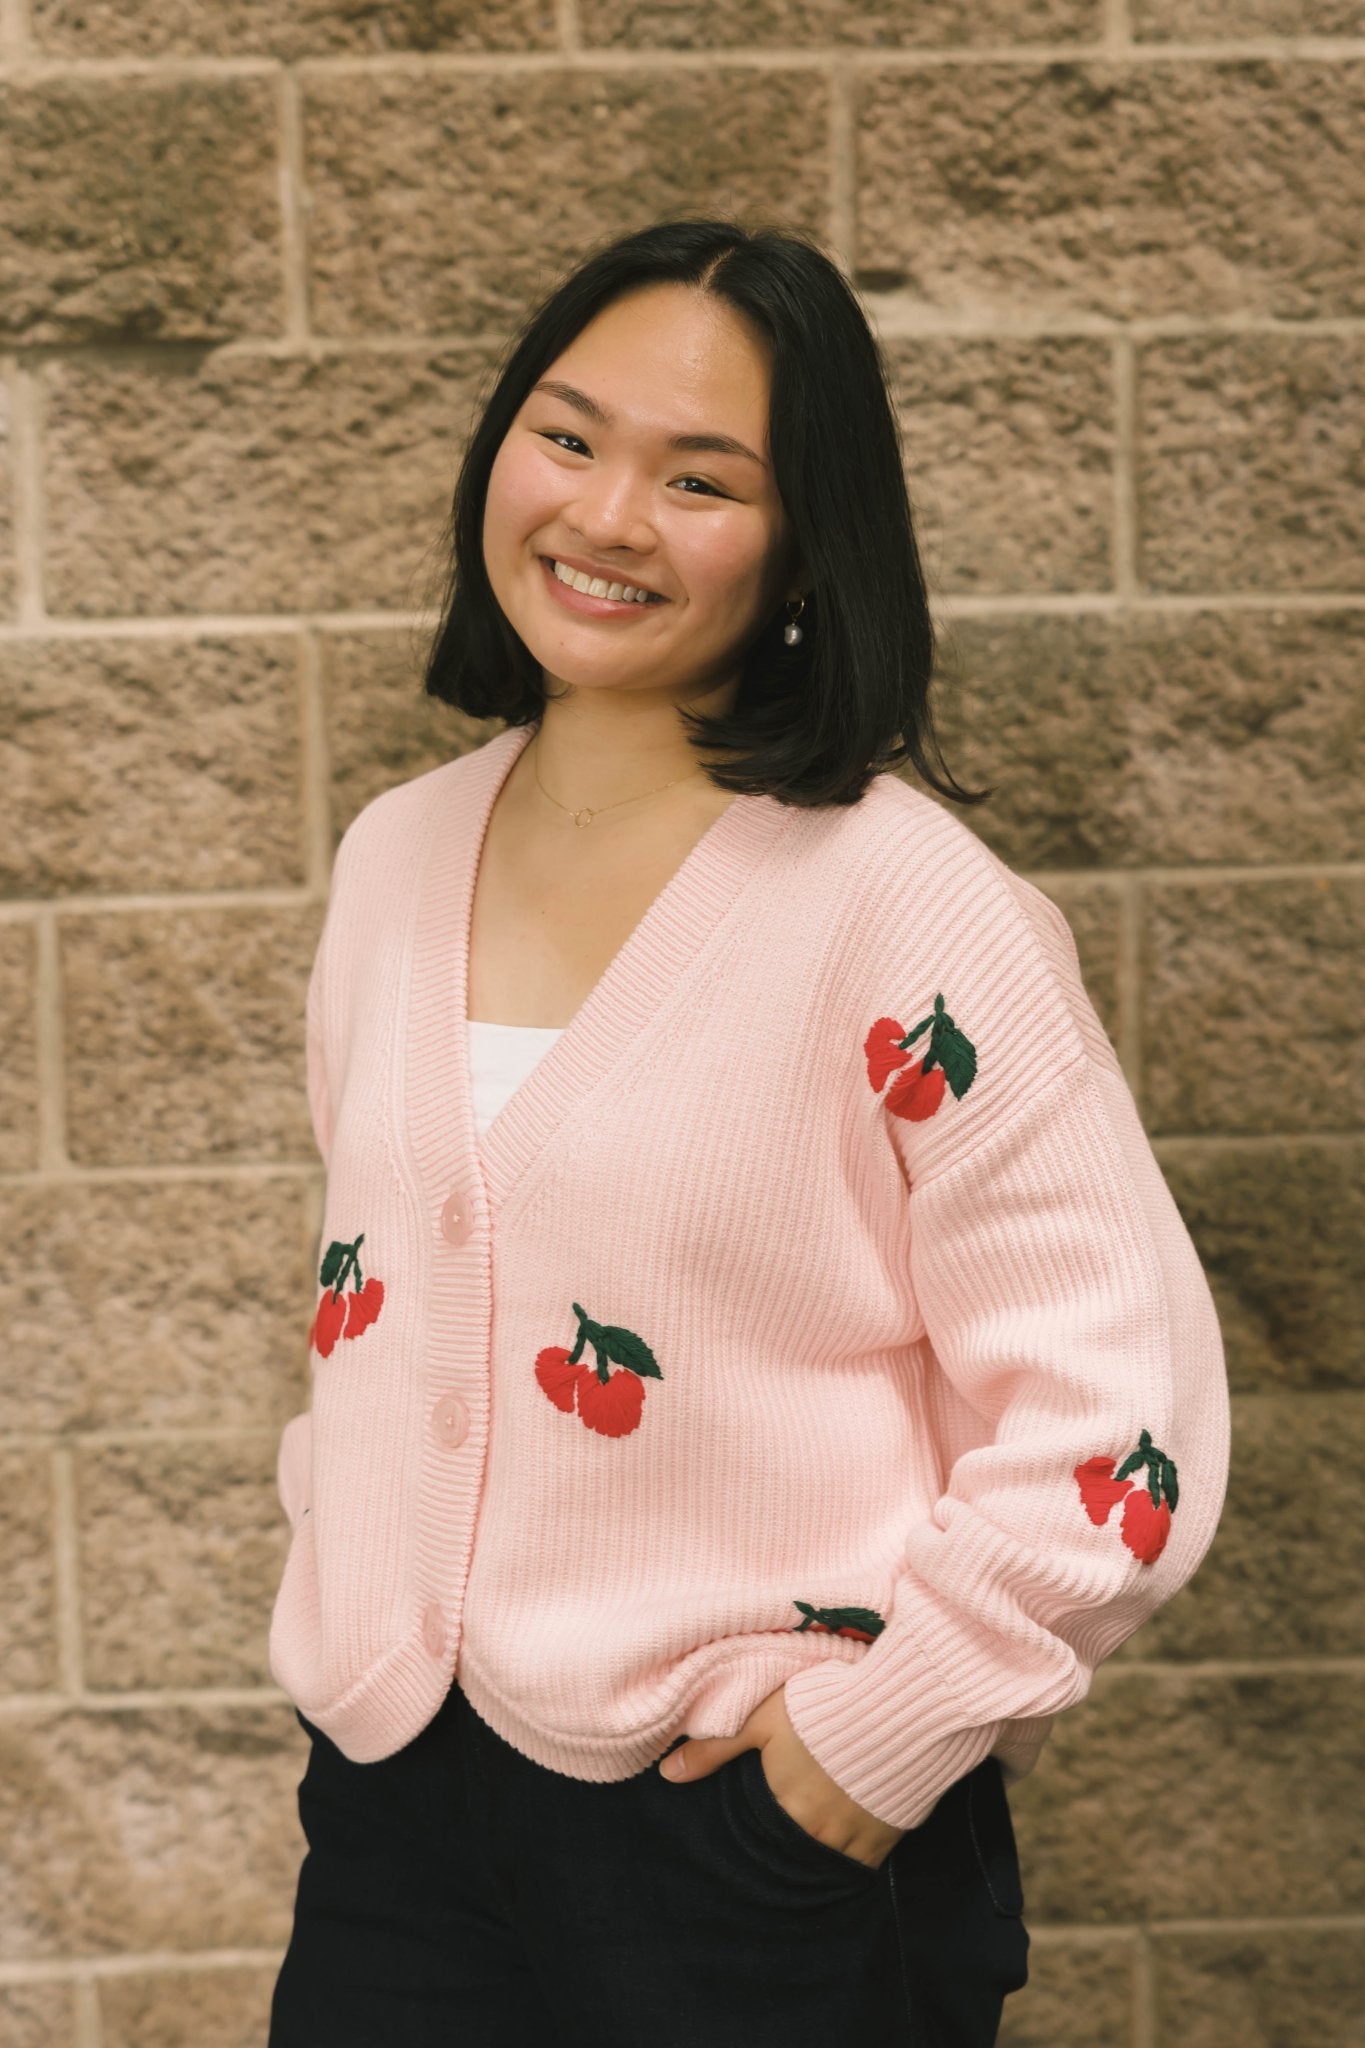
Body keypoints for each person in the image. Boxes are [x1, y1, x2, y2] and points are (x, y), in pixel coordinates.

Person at [265, 217, 1230, 2047]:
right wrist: (346, 1570)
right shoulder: (396, 857)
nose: (607, 515)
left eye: (699, 478)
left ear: (802, 546)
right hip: (397, 1813)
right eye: (568, 436)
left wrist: (868, 1752)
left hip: (742, 1850)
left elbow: (1126, 1415)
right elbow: (378, 1292)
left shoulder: (907, 914)